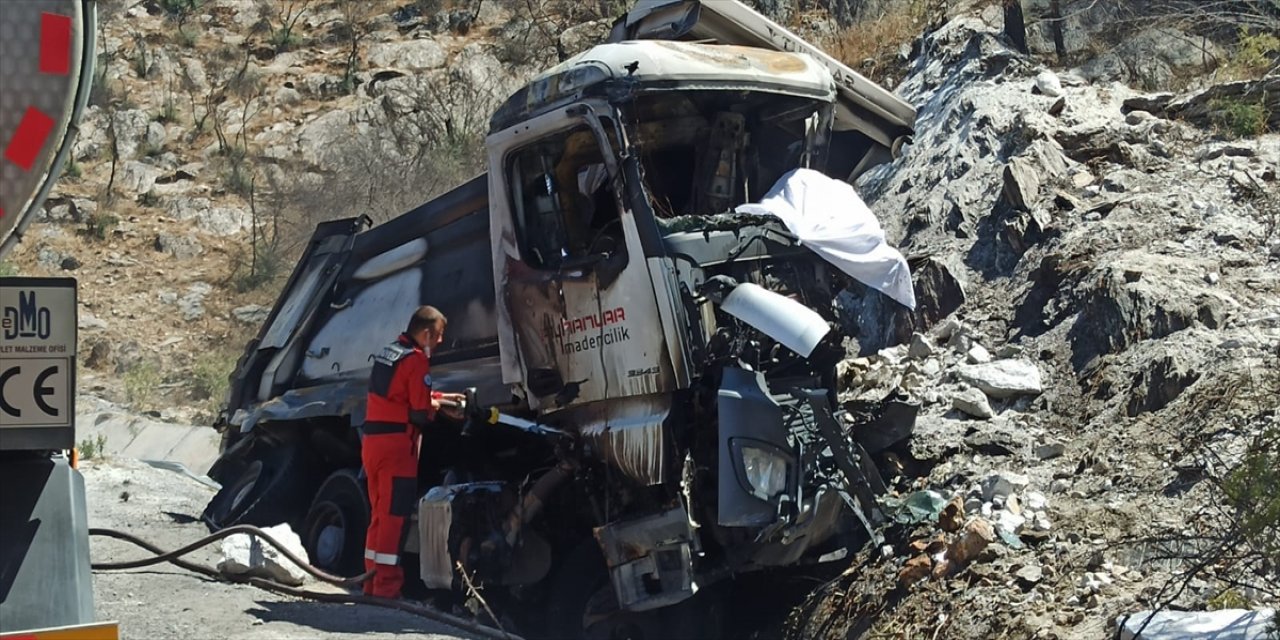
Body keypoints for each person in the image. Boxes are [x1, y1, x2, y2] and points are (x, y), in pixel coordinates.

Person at [361, 305, 463, 599]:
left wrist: (440, 398)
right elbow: (419, 413)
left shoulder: (390, 353)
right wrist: (440, 408)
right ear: (427, 333)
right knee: (395, 517)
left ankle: (370, 583)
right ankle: (387, 590)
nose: (441, 342)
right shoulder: (417, 360)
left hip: (373, 444)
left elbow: (399, 396)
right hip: (397, 448)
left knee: (379, 515)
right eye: (440, 335)